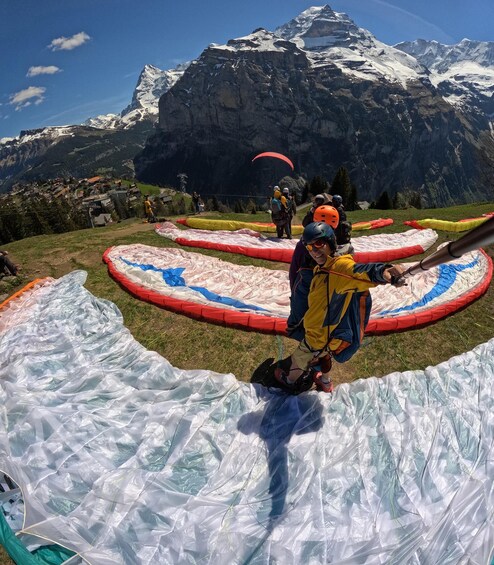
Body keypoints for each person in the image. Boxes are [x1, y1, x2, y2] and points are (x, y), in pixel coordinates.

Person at [277, 221, 406, 393]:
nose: (314, 251)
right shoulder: (322, 268)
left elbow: (358, 271)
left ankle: (290, 381)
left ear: (330, 242)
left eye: (318, 244)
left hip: (318, 336)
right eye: (309, 247)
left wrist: (383, 271)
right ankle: (325, 381)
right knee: (323, 356)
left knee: (299, 359)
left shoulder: (338, 268)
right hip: (330, 333)